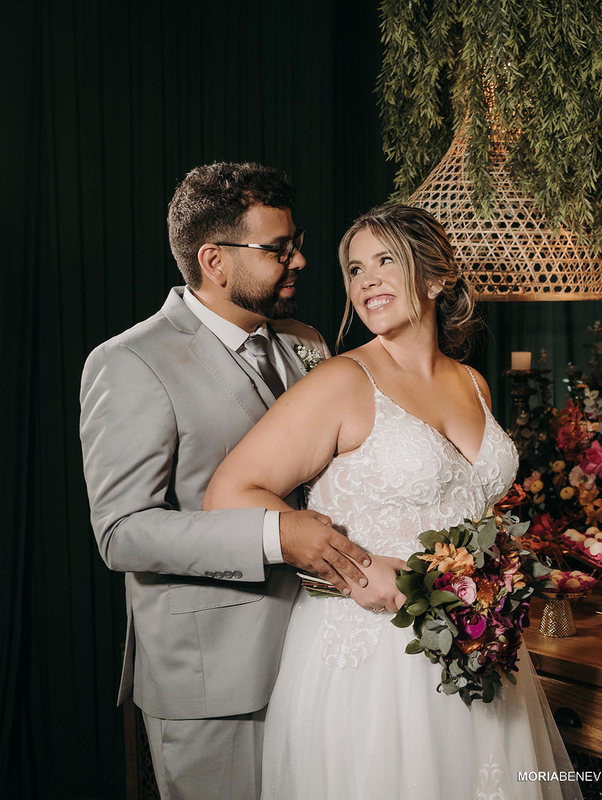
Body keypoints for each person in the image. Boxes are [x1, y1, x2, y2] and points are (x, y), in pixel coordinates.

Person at [204, 204, 581, 799]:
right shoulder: (342, 381)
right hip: (374, 656)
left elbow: (472, 513)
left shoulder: (472, 383)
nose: (367, 281)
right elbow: (227, 493)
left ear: (434, 277)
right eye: (355, 270)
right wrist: (352, 565)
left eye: (385, 261)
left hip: (477, 650)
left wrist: (499, 580)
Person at [80, 162, 390, 800]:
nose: (301, 260)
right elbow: (122, 532)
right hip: (214, 677)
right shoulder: (131, 361)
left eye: (297, 243)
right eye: (280, 249)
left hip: (327, 656)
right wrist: (275, 536)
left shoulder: (306, 341)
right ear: (213, 260)